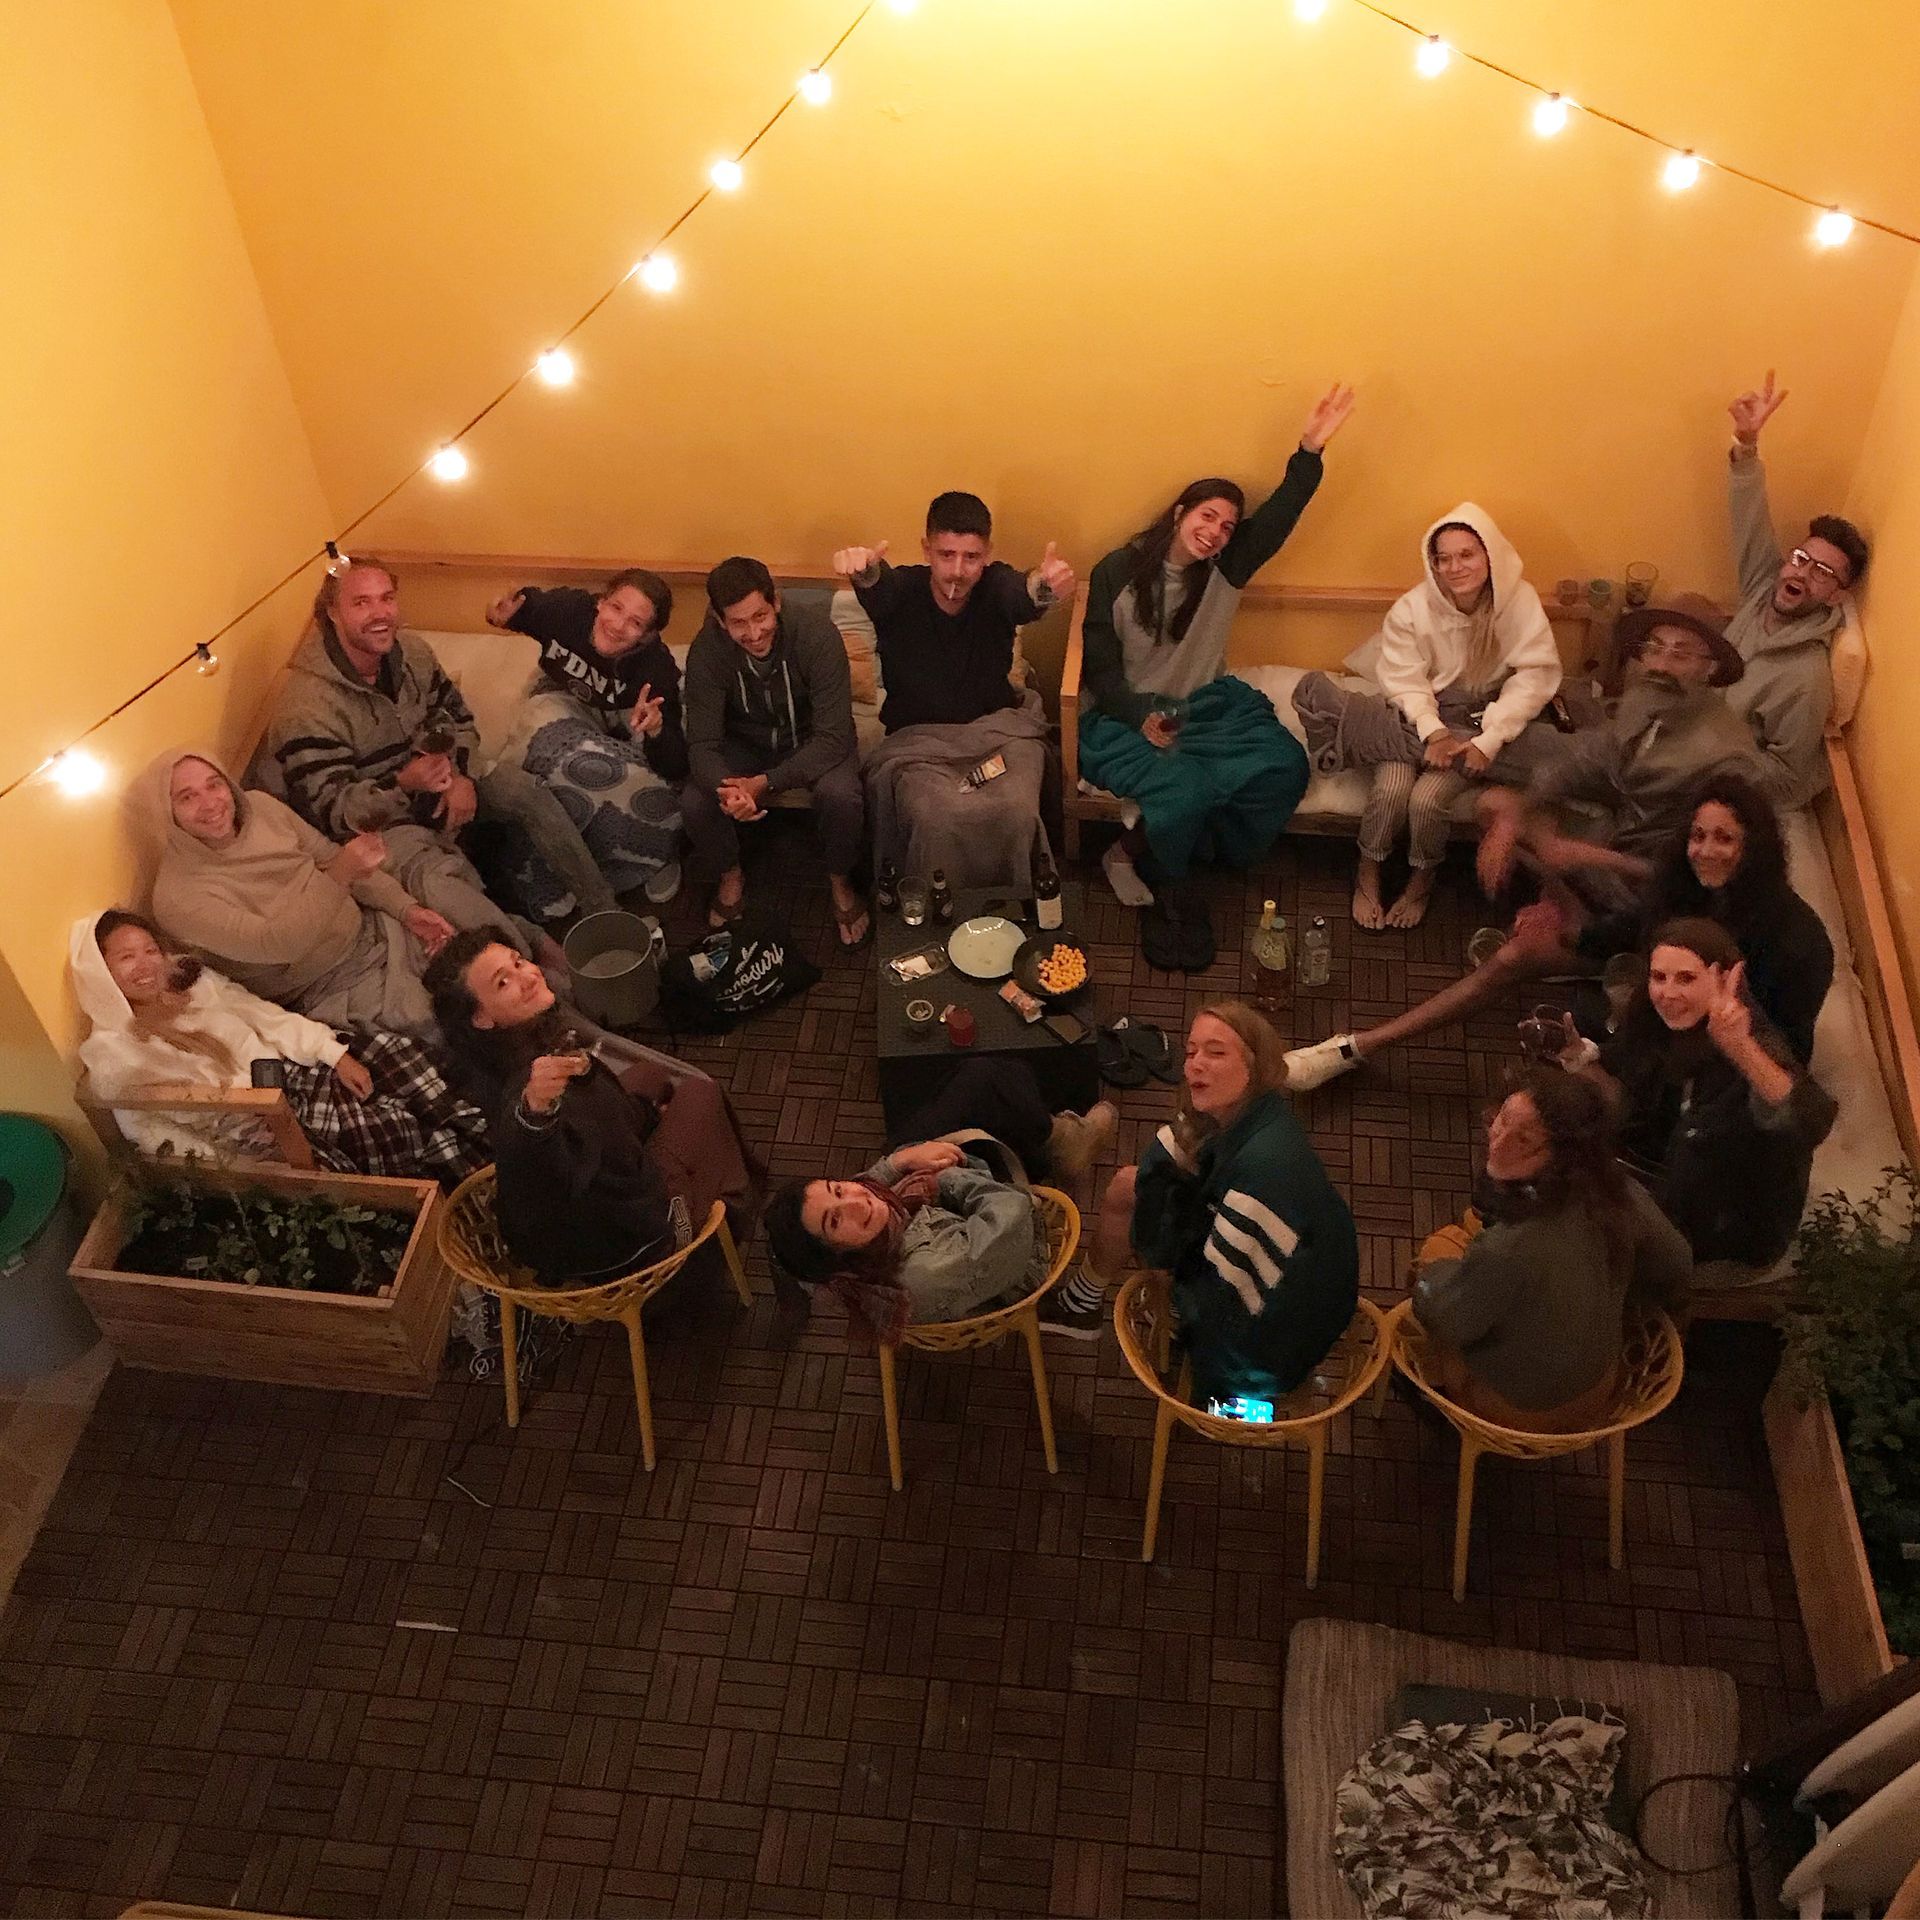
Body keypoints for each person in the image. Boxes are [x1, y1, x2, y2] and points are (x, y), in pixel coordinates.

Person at [1282, 600, 1763, 1094]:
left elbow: (1708, 886)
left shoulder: (1726, 760)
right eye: (1654, 648)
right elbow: (1581, 764)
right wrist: (1517, 817)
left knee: (1510, 959)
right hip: (1608, 847)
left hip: (1648, 910)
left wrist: (1582, 856)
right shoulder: (1652, 709)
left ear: (1712, 669)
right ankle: (1565, 903)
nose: (1661, 663)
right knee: (1496, 799)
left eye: (1682, 653)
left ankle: (1355, 1047)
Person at [1079, 384, 1356, 916]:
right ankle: (1127, 856)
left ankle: (1208, 848)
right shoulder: (1117, 569)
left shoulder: (1225, 570)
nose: (1215, 532)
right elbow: (1100, 663)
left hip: (1205, 708)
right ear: (1181, 511)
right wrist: (1139, 713)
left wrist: (1310, 451)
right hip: (1124, 714)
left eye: (1228, 526)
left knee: (1284, 765)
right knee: (1183, 787)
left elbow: (1282, 512)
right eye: (1207, 516)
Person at [265, 556, 617, 922]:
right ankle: (538, 955)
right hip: (386, 826)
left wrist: (459, 774)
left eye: (387, 598)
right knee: (442, 885)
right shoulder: (306, 708)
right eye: (361, 603)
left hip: (441, 782)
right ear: (332, 613)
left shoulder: (412, 653)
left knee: (521, 788)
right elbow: (335, 815)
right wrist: (403, 783)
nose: (380, 613)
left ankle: (606, 911)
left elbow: (457, 717)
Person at [1051, 1004, 1358, 1407]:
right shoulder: (1249, 1113)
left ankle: (1093, 1307)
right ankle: (1082, 1300)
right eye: (1192, 1051)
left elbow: (1224, 1305)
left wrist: (1173, 1296)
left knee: (1149, 1231)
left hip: (1265, 1352)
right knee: (1129, 1184)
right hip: (1291, 1270)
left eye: (1216, 1053)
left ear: (1256, 1066)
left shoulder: (1263, 1170)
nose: (1195, 1064)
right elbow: (1169, 1159)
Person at [425, 928, 757, 1286]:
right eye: (503, 982)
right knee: (700, 1094)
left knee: (651, 1074)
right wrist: (536, 1113)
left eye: (518, 962)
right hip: (629, 1240)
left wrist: (642, 1111)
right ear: (481, 1018)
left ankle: (702, 1170)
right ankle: (723, 1215)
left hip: (583, 1211)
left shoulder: (502, 1055)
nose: (528, 976)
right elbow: (536, 1146)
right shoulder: (534, 1092)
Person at [1292, 500, 1562, 930]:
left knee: (1428, 798)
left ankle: (1422, 877)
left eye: (1467, 554)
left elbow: (1533, 677)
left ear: (1489, 554)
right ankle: (1368, 870)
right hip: (1416, 717)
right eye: (1444, 558)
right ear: (1432, 564)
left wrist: (1488, 740)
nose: (1456, 567)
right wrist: (1432, 731)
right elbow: (1404, 680)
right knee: (1394, 786)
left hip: (1478, 719)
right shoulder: (1412, 610)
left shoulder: (1519, 603)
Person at [73, 910, 487, 1186]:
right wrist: (252, 1172)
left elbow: (260, 1014)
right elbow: (152, 1134)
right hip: (270, 1123)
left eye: (150, 951)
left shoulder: (191, 984)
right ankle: (478, 1177)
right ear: (98, 971)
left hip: (292, 1074)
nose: (145, 964)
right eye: (126, 957)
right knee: (393, 1127)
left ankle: (487, 1130)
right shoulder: (116, 1055)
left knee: (394, 1055)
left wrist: (332, 1053)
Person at [144, 748, 529, 1035]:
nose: (210, 804)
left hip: (373, 930)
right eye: (187, 797)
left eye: (214, 785)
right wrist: (340, 873)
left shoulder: (260, 808)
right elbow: (276, 943)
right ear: (167, 813)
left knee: (480, 970)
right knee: (448, 1018)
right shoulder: (177, 896)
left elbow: (331, 857)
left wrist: (407, 910)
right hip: (327, 984)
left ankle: (553, 1014)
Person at [1409, 1069, 1692, 1432]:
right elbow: (1677, 1264)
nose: (1499, 1141)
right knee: (1473, 1235)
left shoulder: (1508, 1249)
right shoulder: (1620, 1191)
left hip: (1521, 1410)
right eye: (1503, 1118)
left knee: (1438, 1249)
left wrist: (1429, 1283)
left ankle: (1434, 1394)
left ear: (1562, 1155)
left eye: (1524, 1140)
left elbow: (1448, 1317)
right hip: (1603, 1385)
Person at [762, 1059, 1116, 1342]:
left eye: (837, 1189)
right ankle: (1059, 1140)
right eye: (835, 1221)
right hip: (1012, 1243)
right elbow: (1011, 1215)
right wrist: (944, 1173)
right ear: (834, 1259)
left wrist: (899, 1163)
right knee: (994, 1090)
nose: (857, 1199)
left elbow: (863, 1184)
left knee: (983, 1077)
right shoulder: (925, 1272)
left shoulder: (857, 1256)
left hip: (936, 1214)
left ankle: (1051, 1132)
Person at [834, 493, 1075, 893]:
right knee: (934, 819)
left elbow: (1022, 593)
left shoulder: (994, 584)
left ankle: (1018, 908)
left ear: (987, 554)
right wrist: (863, 571)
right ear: (926, 549)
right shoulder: (903, 590)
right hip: (918, 744)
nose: (958, 571)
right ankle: (935, 915)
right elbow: (878, 586)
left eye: (972, 557)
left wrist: (1044, 588)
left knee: (1016, 809)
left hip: (998, 734)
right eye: (946, 555)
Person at [1577, 918, 1837, 1270]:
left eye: (1686, 978)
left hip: (1720, 1245)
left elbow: (1812, 1120)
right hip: (1666, 1187)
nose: (1667, 993)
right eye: (1659, 977)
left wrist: (1740, 1047)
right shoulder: (1663, 1024)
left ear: (1726, 979)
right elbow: (1627, 1085)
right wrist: (1579, 1058)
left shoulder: (1752, 1045)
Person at [1574, 770, 1832, 1065]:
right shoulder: (1688, 889)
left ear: (1753, 848)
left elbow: (1786, 1056)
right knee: (1581, 1009)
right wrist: (1571, 934)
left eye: (1724, 838)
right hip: (1666, 1025)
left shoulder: (1795, 940)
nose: (1706, 851)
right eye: (1698, 836)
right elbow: (1636, 923)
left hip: (1725, 1064)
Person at [682, 556, 867, 944]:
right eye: (738, 623)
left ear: (776, 603)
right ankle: (730, 873)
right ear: (719, 620)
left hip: (812, 738)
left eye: (760, 616)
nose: (753, 632)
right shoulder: (707, 651)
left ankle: (840, 880)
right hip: (745, 744)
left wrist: (765, 784)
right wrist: (731, 788)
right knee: (696, 801)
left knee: (841, 795)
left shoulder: (817, 635)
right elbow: (702, 743)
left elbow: (833, 735)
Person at [487, 567, 688, 904]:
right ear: (600, 602)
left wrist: (655, 730)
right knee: (547, 760)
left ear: (648, 636)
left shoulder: (657, 670)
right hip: (562, 696)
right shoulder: (567, 610)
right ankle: (554, 873)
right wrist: (501, 617)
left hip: (625, 719)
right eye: (615, 608)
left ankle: (655, 858)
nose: (618, 625)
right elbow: (520, 610)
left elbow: (674, 763)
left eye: (635, 623)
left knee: (650, 785)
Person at [1719, 371, 1872, 809]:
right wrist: (1746, 444)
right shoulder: (1764, 589)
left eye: (1823, 572)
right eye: (1802, 560)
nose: (1803, 575)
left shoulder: (1805, 680)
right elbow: (1748, 515)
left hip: (1722, 782)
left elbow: (1786, 778)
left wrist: (1708, 752)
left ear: (1838, 595)